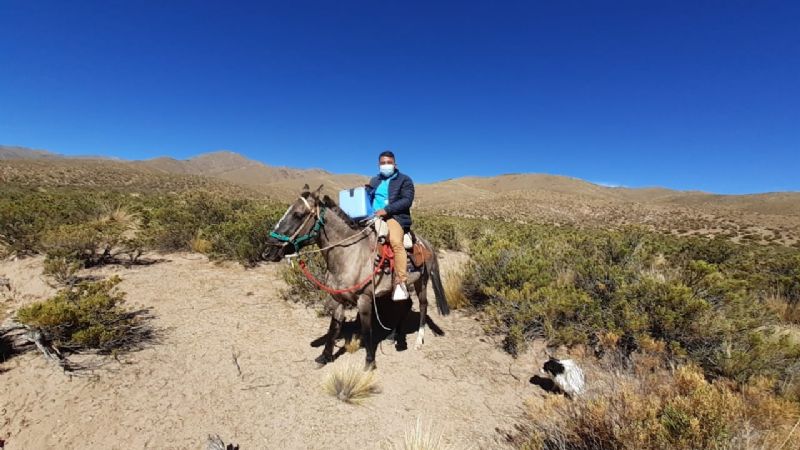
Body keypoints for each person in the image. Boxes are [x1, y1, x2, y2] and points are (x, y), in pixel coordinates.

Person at [366, 150, 415, 300]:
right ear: (378, 165)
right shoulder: (374, 181)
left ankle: (401, 282)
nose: (386, 165)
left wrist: (386, 210)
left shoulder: (404, 180)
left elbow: (407, 200)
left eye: (389, 163)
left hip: (395, 217)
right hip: (373, 216)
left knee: (395, 242)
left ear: (395, 164)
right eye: (383, 163)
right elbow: (367, 196)